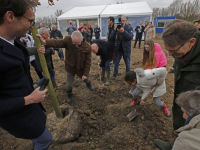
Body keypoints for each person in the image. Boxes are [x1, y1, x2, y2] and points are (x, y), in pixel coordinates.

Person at [0, 0, 51, 149]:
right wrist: (28, 99)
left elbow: (18, 55)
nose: (32, 25)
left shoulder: (13, 41)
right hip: (17, 115)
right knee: (45, 138)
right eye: (30, 20)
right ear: (10, 17)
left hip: (28, 109)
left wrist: (38, 50)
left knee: (40, 134)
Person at [162, 19, 200, 130]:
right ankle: (176, 139)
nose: (170, 54)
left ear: (191, 42)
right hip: (182, 104)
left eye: (173, 50)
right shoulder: (181, 53)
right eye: (167, 50)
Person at [37, 31, 94, 103]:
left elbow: (88, 62)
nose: (76, 46)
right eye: (74, 44)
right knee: (69, 85)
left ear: (82, 39)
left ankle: (89, 84)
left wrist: (85, 74)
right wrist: (44, 41)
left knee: (86, 79)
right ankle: (69, 94)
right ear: (71, 39)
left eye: (78, 44)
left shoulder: (87, 47)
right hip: (70, 67)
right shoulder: (68, 40)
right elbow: (57, 42)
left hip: (81, 68)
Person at [110, 15, 133, 80]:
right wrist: (114, 30)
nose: (122, 22)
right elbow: (111, 37)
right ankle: (115, 73)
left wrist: (123, 31)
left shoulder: (129, 28)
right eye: (120, 21)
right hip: (118, 49)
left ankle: (128, 75)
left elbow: (130, 37)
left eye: (123, 21)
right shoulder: (117, 28)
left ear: (125, 21)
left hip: (126, 49)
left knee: (127, 63)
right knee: (116, 63)